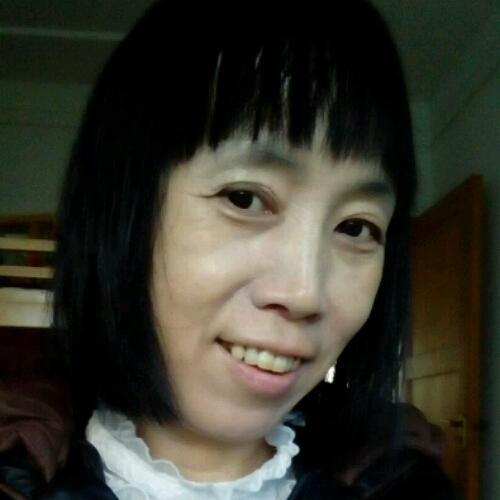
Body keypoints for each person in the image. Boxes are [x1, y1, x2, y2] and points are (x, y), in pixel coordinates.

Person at [0, 1, 457, 498]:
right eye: (245, 198)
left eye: (355, 227)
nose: (304, 293)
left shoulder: (407, 485)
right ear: (123, 211)